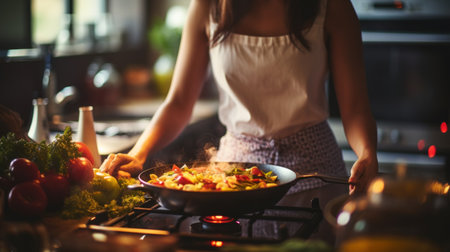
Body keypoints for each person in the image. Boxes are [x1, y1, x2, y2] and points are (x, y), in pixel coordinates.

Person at [100, 0, 378, 195]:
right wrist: (139, 153)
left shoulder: (332, 6)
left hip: (315, 173)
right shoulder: (208, 6)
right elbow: (179, 101)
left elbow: (354, 107)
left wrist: (367, 152)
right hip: (232, 180)